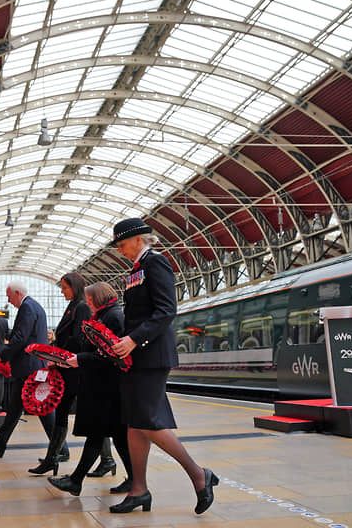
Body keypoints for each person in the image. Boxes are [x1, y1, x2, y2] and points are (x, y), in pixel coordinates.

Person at [109, 218, 217, 514]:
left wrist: (133, 339)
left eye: (122, 244)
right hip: (136, 356)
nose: (119, 251)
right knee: (135, 423)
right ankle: (139, 490)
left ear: (139, 239)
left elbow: (167, 310)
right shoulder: (137, 269)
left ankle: (199, 474)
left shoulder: (155, 263)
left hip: (152, 354)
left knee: (148, 421)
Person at [48, 281, 132, 496]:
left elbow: (110, 354)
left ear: (98, 298)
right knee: (117, 436)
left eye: (90, 299)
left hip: (108, 386)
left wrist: (79, 359)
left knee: (99, 433)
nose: (88, 303)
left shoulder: (113, 317)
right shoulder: (104, 316)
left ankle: (76, 481)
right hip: (103, 384)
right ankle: (133, 480)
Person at [0, 281, 58, 458]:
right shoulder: (35, 306)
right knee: (15, 409)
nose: (8, 300)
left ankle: (60, 449)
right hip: (31, 366)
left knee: (43, 409)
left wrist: (1, 356)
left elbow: (21, 337)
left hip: (29, 368)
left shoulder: (27, 307)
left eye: (9, 296)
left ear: (17, 293)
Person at [28, 272, 89, 475]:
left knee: (80, 414)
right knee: (64, 411)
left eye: (64, 287)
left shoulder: (81, 307)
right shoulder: (73, 306)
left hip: (74, 369)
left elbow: (78, 339)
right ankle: (52, 458)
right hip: (67, 368)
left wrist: (58, 356)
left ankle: (52, 459)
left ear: (75, 286)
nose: (62, 291)